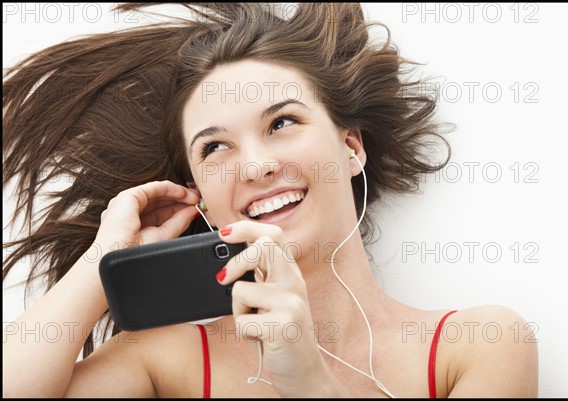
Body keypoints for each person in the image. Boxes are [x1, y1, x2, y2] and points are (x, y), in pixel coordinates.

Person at [2, 3, 538, 398]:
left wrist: (307, 378)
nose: (256, 166)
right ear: (204, 202)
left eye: (282, 122)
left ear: (350, 147)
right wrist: (103, 263)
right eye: (215, 148)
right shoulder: (163, 360)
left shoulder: (478, 345)